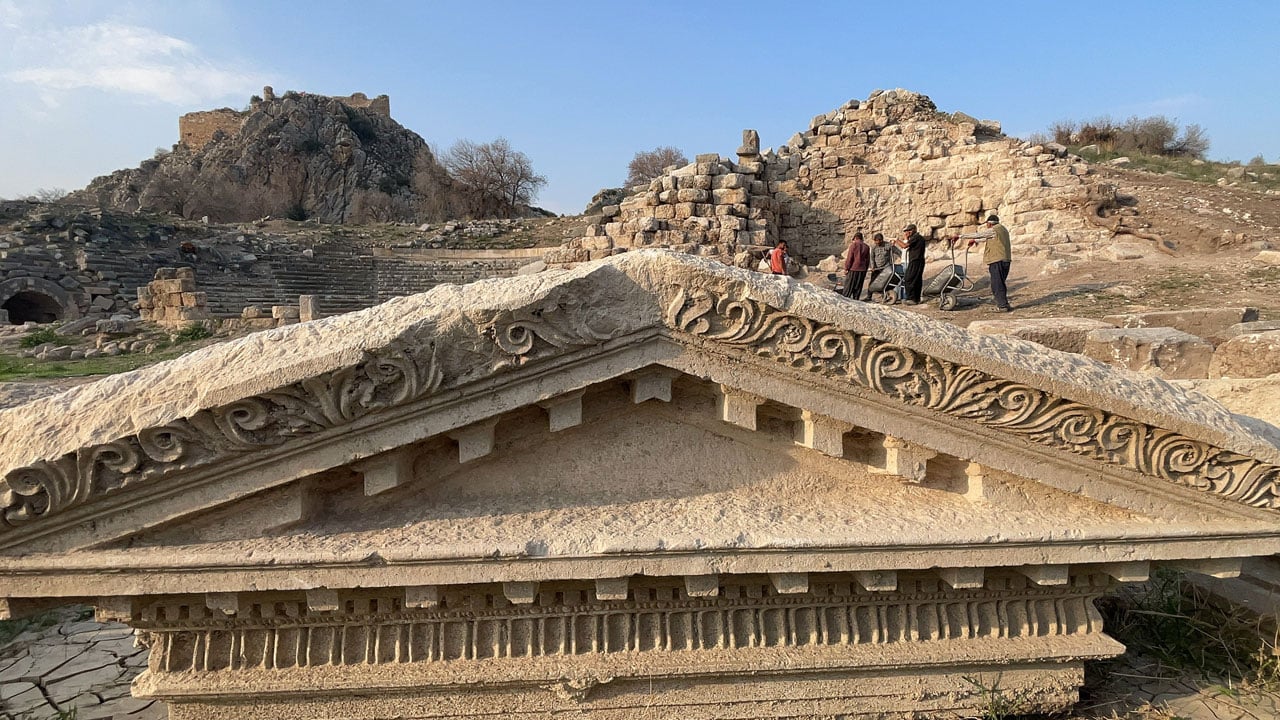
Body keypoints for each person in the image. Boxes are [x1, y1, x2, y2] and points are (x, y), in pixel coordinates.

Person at [962, 214, 1013, 312]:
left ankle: (1002, 306)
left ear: (989, 224)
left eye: (987, 224)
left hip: (997, 260)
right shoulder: (1003, 229)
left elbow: (979, 234)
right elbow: (986, 238)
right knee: (999, 283)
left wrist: (960, 236)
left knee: (997, 284)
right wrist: (975, 241)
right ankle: (1002, 303)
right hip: (1005, 259)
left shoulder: (993, 230)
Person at [894, 223, 926, 304]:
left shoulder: (916, 237)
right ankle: (916, 299)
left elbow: (904, 246)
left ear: (913, 230)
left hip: (915, 261)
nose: (907, 232)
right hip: (919, 261)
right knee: (917, 280)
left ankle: (911, 298)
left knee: (908, 279)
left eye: (909, 231)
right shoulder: (919, 238)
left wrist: (896, 240)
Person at [863, 232, 897, 301]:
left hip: (886, 267)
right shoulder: (873, 247)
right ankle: (869, 296)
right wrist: (873, 267)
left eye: (879, 241)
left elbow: (897, 251)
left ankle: (885, 295)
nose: (877, 242)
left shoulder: (888, 245)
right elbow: (872, 257)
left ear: (882, 240)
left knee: (886, 281)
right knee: (872, 281)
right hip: (876, 268)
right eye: (876, 241)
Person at [841, 230, 870, 299]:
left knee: (848, 288)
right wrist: (865, 270)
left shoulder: (853, 245)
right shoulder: (866, 247)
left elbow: (849, 258)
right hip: (862, 270)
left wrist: (846, 268)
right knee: (858, 288)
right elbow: (867, 260)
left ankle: (845, 302)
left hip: (853, 269)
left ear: (855, 238)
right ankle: (856, 301)